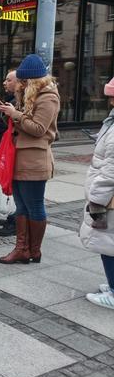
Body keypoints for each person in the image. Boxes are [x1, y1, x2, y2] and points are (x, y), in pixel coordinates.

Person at [0, 54, 59, 265]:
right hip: (20, 157)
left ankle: (34, 250)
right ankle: (22, 249)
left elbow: (39, 129)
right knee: (21, 207)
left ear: (33, 80)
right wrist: (10, 112)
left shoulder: (48, 97)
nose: (19, 84)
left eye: (23, 81)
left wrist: (16, 114)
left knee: (34, 205)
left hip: (34, 159)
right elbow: (24, 124)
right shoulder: (30, 96)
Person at [81, 77, 114, 309]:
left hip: (108, 197)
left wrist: (96, 198)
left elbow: (111, 169)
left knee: (108, 244)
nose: (109, 101)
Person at [0, 69, 18, 236]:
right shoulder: (11, 100)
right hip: (5, 148)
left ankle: (15, 221)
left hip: (12, 150)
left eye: (9, 80)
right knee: (8, 183)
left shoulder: (19, 102)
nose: (4, 83)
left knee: (13, 185)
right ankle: (12, 217)